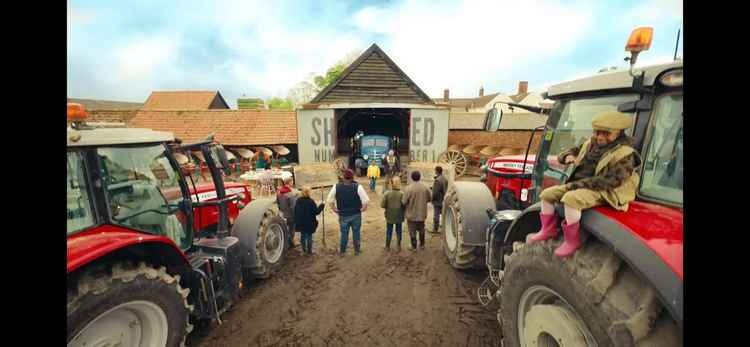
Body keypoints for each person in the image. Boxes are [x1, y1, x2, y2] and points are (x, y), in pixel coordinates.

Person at [528, 111, 641, 258]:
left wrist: (573, 186)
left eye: (606, 134)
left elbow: (610, 181)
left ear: (619, 133)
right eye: (597, 132)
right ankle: (548, 229)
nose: (600, 137)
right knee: (547, 194)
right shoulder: (591, 143)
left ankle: (572, 240)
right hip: (581, 184)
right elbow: (567, 153)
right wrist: (567, 156)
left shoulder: (625, 154)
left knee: (571, 199)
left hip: (605, 190)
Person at [327, 169, 370, 256]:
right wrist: (362, 209)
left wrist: (334, 209)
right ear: (352, 177)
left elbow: (330, 200)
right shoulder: (358, 187)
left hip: (343, 215)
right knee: (356, 233)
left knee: (344, 234)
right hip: (356, 214)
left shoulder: (336, 186)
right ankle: (357, 251)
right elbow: (365, 201)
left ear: (343, 177)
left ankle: (342, 252)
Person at [402, 170, 432, 250]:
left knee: (412, 231)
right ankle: (422, 245)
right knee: (422, 228)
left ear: (411, 178)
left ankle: (414, 246)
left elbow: (404, 202)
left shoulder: (408, 188)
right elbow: (430, 198)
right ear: (420, 177)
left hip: (411, 214)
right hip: (422, 213)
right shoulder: (425, 187)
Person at [294, 186, 325, 256]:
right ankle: (309, 251)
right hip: (309, 222)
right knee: (309, 236)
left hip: (301, 222)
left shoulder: (298, 201)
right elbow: (316, 212)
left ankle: (304, 250)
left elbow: (295, 211)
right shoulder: (311, 201)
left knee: (303, 235)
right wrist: (322, 205)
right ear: (308, 193)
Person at [380, 176, 405, 252]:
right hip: (399, 215)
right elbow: (404, 204)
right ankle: (398, 246)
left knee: (389, 230)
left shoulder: (387, 193)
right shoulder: (402, 194)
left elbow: (382, 205)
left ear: (392, 183)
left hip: (389, 215)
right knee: (399, 230)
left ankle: (387, 246)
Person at [276, 176, 299, 249]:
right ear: (290, 182)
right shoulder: (290, 193)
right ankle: (291, 243)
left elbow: (278, 203)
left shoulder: (279, 193)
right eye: (292, 181)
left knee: (285, 228)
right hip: (290, 214)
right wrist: (296, 214)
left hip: (283, 213)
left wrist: (281, 210)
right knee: (292, 229)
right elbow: (293, 206)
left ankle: (285, 242)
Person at [430, 166, 448, 234]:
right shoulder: (445, 179)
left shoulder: (437, 180)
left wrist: (432, 199)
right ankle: (444, 228)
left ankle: (435, 229)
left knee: (436, 215)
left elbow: (435, 192)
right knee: (443, 214)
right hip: (443, 198)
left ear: (436, 171)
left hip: (438, 200)